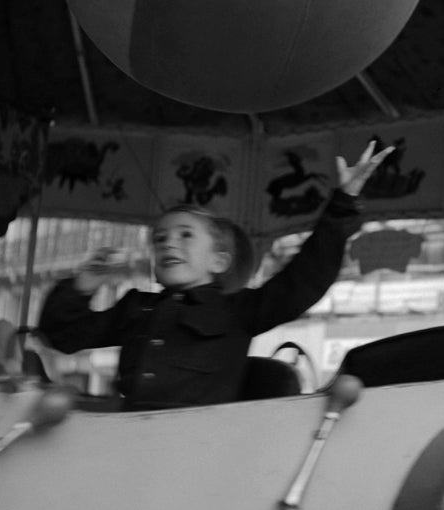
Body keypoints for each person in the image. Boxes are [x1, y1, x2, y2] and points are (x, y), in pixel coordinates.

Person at [37, 141, 392, 411]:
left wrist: (342, 204)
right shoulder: (135, 308)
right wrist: (84, 283)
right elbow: (63, 335)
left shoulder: (237, 310)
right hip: (129, 438)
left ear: (219, 261)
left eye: (185, 235)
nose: (168, 244)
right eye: (160, 238)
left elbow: (303, 280)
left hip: (203, 447)